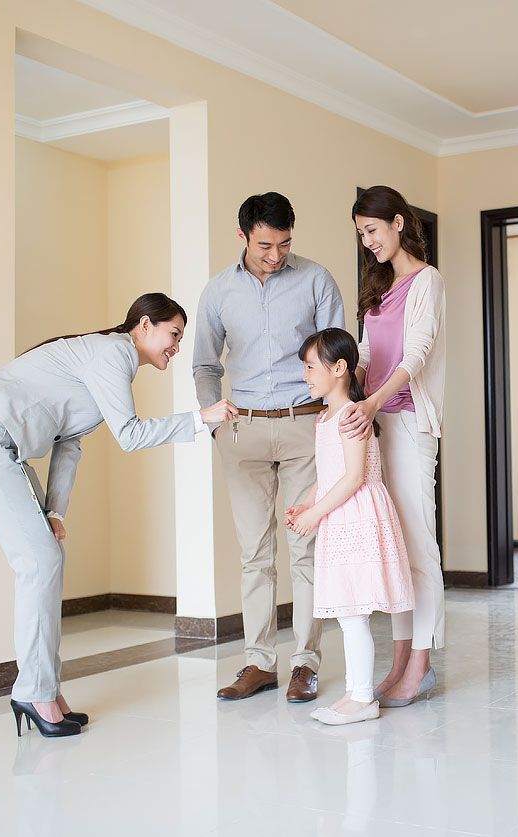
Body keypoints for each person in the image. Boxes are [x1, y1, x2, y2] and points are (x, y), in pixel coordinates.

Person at [0, 293, 237, 737]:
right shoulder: (113, 353)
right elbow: (130, 435)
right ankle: (34, 691)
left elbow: (69, 443)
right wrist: (202, 419)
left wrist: (55, 511)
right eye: (173, 334)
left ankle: (46, 689)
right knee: (38, 562)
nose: (176, 346)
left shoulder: (106, 361)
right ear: (143, 325)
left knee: (46, 559)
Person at [194, 192, 345, 702]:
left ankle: (305, 663)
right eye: (264, 245)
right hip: (245, 431)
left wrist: (336, 412)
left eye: (283, 244)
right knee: (254, 554)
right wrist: (216, 422)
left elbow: (340, 353)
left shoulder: (316, 279)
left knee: (307, 549)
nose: (275, 256)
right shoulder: (217, 292)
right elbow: (204, 364)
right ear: (243, 237)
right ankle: (258, 662)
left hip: (305, 425)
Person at [341, 185, 447, 707]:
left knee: (420, 548)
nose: (368, 242)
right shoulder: (378, 286)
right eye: (361, 234)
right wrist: (347, 380)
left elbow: (417, 352)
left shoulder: (427, 281)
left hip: (408, 423)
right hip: (378, 423)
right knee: (397, 548)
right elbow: (368, 349)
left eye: (373, 231)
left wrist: (374, 400)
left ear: (399, 223)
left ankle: (421, 663)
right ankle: (401, 659)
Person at [285, 328, 414, 725]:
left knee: (355, 612)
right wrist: (306, 502)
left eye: (310, 367)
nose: (305, 375)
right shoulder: (325, 417)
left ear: (340, 368)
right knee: (347, 612)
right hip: (339, 515)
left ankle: (362, 698)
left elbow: (354, 476)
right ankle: (355, 693)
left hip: (356, 516)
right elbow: (329, 475)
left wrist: (314, 514)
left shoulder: (350, 416)